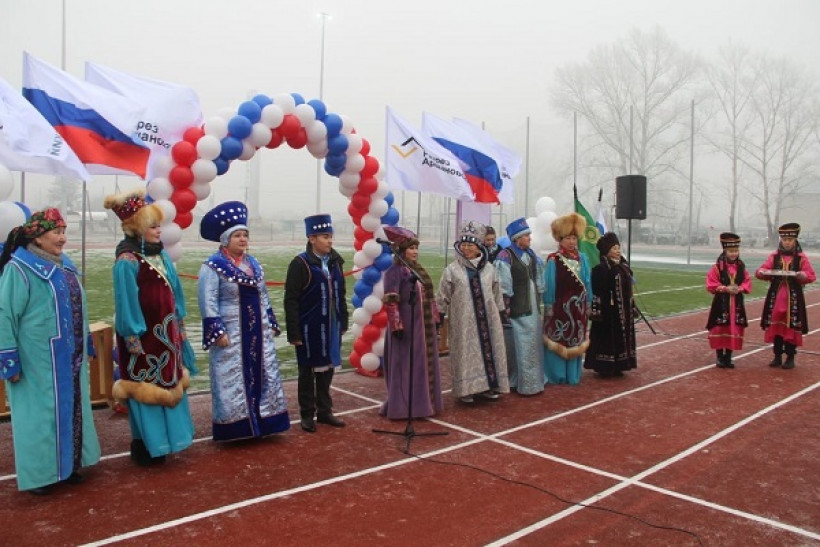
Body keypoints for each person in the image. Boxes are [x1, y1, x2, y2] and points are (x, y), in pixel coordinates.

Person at [0, 208, 101, 494]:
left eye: (63, 231)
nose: (62, 238)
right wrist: (8, 357)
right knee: (39, 416)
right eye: (56, 232)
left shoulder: (65, 266)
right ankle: (42, 476)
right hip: (37, 360)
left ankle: (68, 467)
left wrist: (88, 340)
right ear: (38, 237)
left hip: (71, 357)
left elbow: (79, 308)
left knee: (72, 410)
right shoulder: (18, 268)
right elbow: (4, 314)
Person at [104, 190, 195, 465]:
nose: (159, 231)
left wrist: (179, 323)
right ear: (138, 228)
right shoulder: (127, 261)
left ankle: (170, 440)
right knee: (146, 386)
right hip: (144, 338)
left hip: (167, 334)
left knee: (170, 381)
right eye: (153, 226)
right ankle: (146, 445)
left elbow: (175, 293)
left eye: (159, 226)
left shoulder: (162, 256)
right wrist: (133, 338)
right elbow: (126, 302)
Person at [198, 201, 290, 441]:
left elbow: (263, 296)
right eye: (237, 235)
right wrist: (217, 331)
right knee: (232, 377)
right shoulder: (212, 267)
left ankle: (266, 422)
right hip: (232, 334)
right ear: (226, 239)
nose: (242, 239)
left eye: (245, 235)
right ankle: (236, 428)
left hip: (258, 333)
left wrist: (269, 321)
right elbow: (207, 300)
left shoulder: (254, 264)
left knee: (265, 372)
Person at [284, 214, 349, 432]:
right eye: (324, 237)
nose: (330, 241)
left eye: (330, 236)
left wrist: (343, 320)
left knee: (328, 368)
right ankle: (306, 414)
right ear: (312, 238)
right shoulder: (300, 263)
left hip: (331, 324)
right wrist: (294, 332)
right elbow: (290, 299)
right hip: (309, 327)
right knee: (307, 371)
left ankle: (324, 410)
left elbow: (341, 292)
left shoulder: (335, 262)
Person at [436, 220, 509, 403]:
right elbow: (442, 295)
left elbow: (496, 292)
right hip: (464, 322)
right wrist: (438, 315)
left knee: (490, 350)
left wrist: (501, 312)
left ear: (478, 247)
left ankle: (488, 386)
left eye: (470, 244)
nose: (466, 248)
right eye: (464, 244)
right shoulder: (452, 270)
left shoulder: (489, 269)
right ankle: (467, 389)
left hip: (488, 320)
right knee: (466, 354)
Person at [380, 226, 443, 419]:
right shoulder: (394, 271)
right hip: (407, 325)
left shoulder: (417, 270)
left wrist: (436, 318)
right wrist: (397, 325)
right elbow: (391, 300)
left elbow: (429, 296)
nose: (415, 252)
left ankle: (423, 405)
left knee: (421, 366)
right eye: (411, 248)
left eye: (416, 248)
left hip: (423, 326)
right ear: (401, 250)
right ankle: (403, 407)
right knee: (405, 365)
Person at [495, 218, 545, 394]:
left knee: (532, 344)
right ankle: (522, 383)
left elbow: (539, 278)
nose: (530, 238)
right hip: (518, 309)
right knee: (520, 345)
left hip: (532, 307)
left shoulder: (531, 255)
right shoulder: (505, 256)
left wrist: (540, 294)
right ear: (517, 238)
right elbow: (504, 286)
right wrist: (506, 307)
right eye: (526, 235)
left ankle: (533, 381)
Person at [755, 223, 816, 369]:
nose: (787, 242)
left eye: (790, 240)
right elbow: (762, 270)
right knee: (776, 325)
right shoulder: (774, 257)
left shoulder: (801, 258)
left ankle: (790, 356)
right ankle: (777, 355)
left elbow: (811, 275)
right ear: (781, 240)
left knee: (791, 325)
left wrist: (803, 276)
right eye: (785, 239)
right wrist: (762, 272)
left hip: (793, 297)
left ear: (795, 240)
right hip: (775, 297)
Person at [543, 212, 591, 385]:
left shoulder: (583, 259)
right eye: (568, 238)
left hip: (578, 309)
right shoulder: (553, 260)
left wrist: (589, 303)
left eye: (574, 238)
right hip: (559, 308)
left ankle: (573, 375)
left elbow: (587, 282)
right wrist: (549, 306)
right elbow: (549, 285)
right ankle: (556, 375)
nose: (572, 242)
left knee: (576, 340)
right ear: (560, 239)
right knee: (558, 339)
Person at [584, 232, 638, 377]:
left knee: (623, 336)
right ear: (607, 251)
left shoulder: (624, 266)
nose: (618, 251)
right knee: (608, 338)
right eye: (614, 248)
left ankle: (620, 364)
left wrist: (631, 306)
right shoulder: (601, 269)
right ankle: (605, 366)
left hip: (623, 310)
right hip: (609, 312)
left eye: (618, 247)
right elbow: (598, 291)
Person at [705, 233, 751, 369]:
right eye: (731, 251)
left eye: (736, 251)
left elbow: (747, 283)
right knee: (719, 327)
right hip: (721, 303)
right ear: (725, 251)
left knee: (734, 328)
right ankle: (720, 356)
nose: (733, 254)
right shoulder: (716, 268)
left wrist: (740, 289)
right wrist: (725, 288)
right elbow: (711, 284)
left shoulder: (741, 267)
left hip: (736, 303)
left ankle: (728, 357)